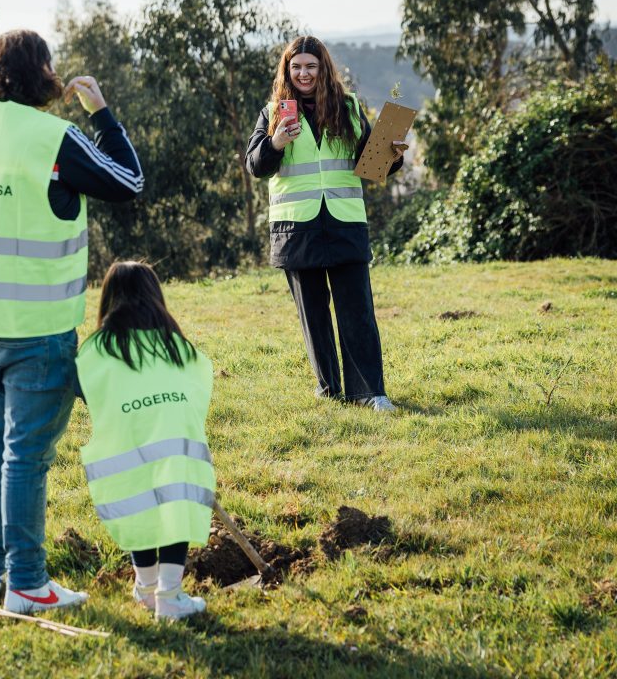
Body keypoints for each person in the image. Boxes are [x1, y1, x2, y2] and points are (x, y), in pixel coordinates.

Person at [0, 29, 144, 614]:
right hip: (38, 322)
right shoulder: (55, 137)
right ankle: (27, 583)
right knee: (25, 455)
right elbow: (129, 181)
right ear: (42, 71)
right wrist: (102, 114)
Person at [245, 36, 407, 410]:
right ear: (288, 70)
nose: (304, 73)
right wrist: (276, 142)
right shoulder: (272, 113)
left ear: (323, 70)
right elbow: (255, 165)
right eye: (297, 67)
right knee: (314, 315)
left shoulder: (348, 108)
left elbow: (372, 163)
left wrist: (394, 155)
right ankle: (330, 389)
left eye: (311, 66)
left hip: (344, 222)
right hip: (296, 229)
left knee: (358, 312)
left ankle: (370, 392)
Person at [75, 261, 215, 621]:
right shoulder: (177, 346)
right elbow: (200, 385)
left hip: (125, 452)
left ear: (108, 299)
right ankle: (167, 594)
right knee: (175, 507)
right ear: (156, 296)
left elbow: (85, 389)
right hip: (176, 449)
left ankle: (148, 589)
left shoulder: (98, 348)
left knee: (138, 506)